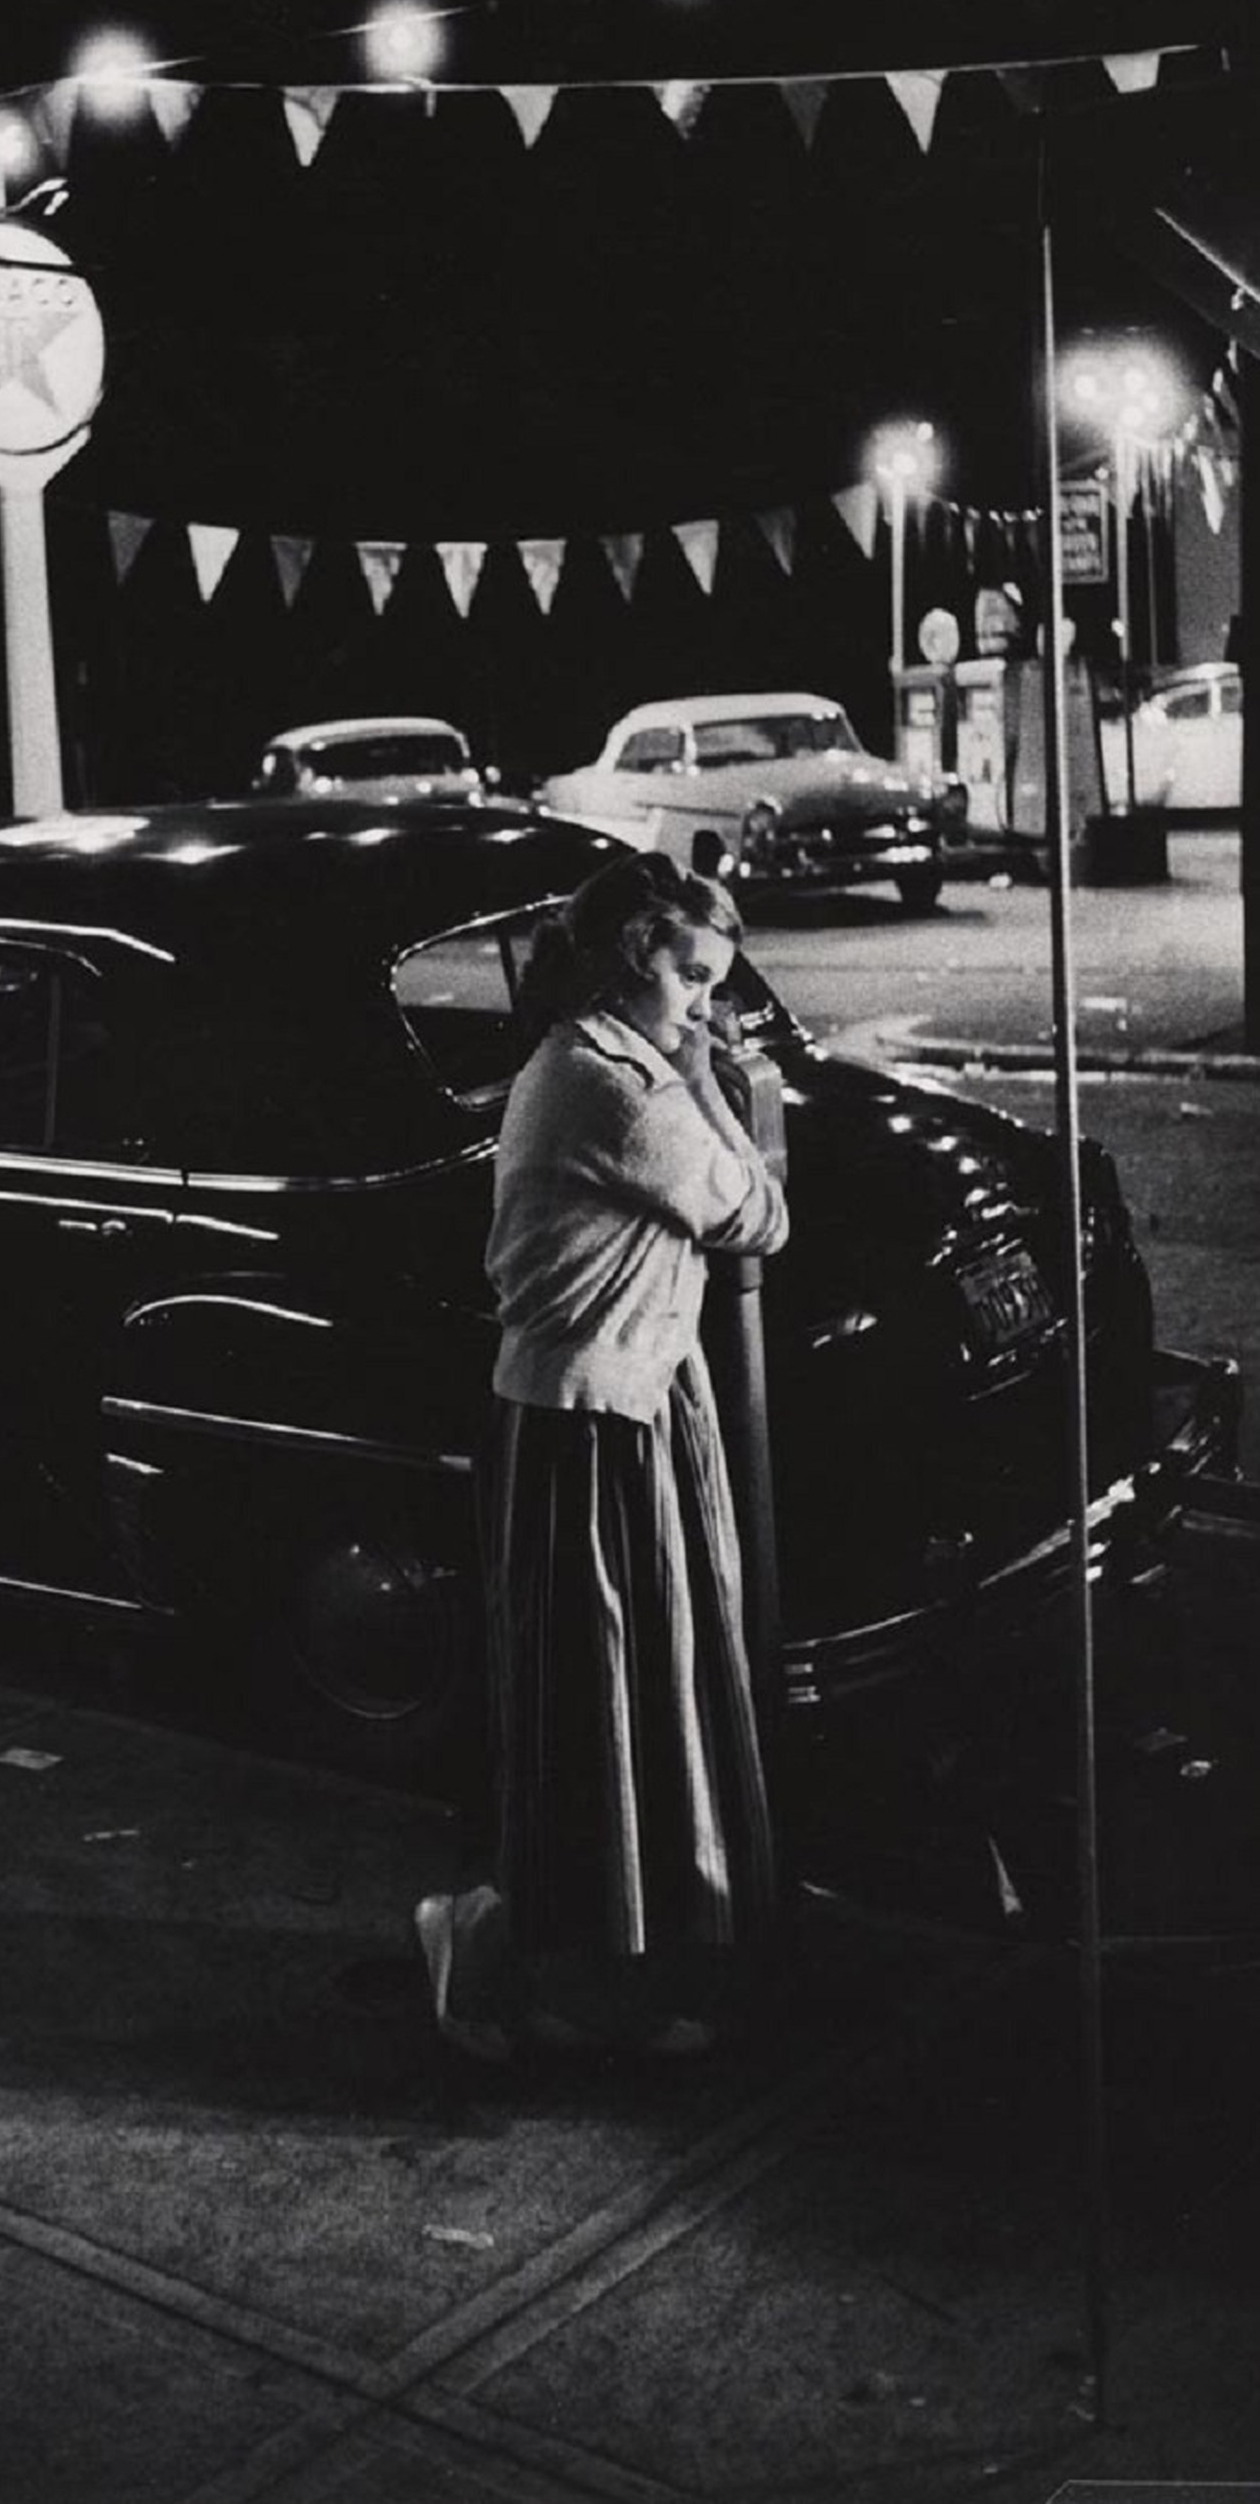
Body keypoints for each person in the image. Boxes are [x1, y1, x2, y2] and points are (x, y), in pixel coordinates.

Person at [416, 852, 789, 2061]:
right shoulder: (610, 1087)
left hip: (625, 1403)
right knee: (605, 1703)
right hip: (590, 1421)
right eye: (690, 977)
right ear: (633, 962)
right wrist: (704, 1084)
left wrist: (691, 1072)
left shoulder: (605, 1064)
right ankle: (528, 1974)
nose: (704, 1007)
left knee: (625, 1698)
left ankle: (570, 1963)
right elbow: (759, 1215)